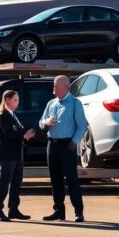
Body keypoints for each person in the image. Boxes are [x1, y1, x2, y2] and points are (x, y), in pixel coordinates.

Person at [39, 75, 87, 222]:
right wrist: (45, 122)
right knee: (55, 180)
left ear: (66, 87)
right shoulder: (51, 103)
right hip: (52, 144)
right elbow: (41, 122)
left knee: (72, 179)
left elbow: (82, 125)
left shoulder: (75, 103)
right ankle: (59, 211)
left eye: (56, 85)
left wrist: (74, 141)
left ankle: (78, 212)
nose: (53, 88)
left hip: (67, 145)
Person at [0, 89, 35, 222]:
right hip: (7, 155)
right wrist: (23, 134)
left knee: (16, 182)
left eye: (18, 99)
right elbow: (10, 134)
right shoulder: (3, 116)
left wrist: (24, 135)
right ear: (7, 100)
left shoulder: (13, 115)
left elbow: (17, 132)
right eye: (15, 100)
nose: (18, 102)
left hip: (17, 154)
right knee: (4, 182)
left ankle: (13, 209)